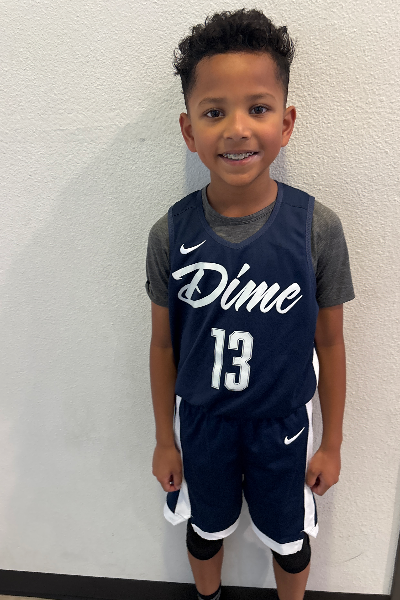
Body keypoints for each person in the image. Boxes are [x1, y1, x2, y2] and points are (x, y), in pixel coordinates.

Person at [146, 8, 355, 600]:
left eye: (258, 109)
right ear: (189, 130)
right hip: (203, 422)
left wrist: (332, 443)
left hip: (283, 426)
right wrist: (165, 438)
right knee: (204, 529)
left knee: (290, 539)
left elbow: (331, 342)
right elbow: (162, 346)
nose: (237, 129)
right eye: (215, 112)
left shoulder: (317, 228)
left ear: (286, 123)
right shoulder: (170, 233)